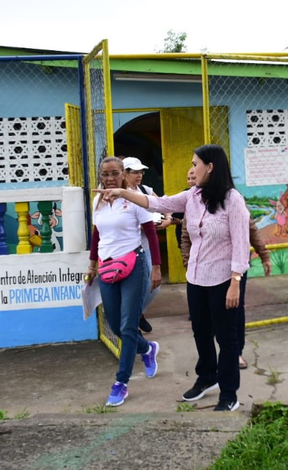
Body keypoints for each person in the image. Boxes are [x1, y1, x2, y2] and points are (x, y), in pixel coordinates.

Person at [95, 144, 249, 412]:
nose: (191, 169)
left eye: (194, 164)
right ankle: (207, 377)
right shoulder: (193, 196)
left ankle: (229, 394)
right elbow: (159, 203)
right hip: (197, 278)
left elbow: (241, 243)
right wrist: (122, 192)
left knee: (226, 338)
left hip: (225, 279)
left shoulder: (232, 200)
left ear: (210, 167)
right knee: (201, 331)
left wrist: (236, 282)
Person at [85, 156, 160, 407]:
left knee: (128, 326)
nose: (110, 178)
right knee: (115, 325)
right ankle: (147, 349)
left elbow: (151, 232)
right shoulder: (97, 200)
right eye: (105, 174)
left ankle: (121, 383)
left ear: (123, 175)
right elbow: (97, 235)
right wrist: (92, 265)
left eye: (115, 173)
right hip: (107, 267)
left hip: (133, 265)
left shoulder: (134, 198)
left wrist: (156, 267)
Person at [180, 189, 272, 370]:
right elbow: (185, 237)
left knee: (234, 311)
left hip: (233, 268)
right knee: (204, 320)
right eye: (189, 178)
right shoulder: (193, 202)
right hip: (204, 271)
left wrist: (264, 255)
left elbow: (250, 229)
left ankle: (235, 353)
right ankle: (209, 366)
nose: (192, 181)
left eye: (194, 176)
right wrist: (189, 264)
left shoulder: (233, 200)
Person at [122, 156, 162, 333]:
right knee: (132, 287)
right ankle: (132, 320)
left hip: (145, 245)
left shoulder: (145, 190)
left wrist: (166, 219)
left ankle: (138, 313)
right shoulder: (119, 193)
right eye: (134, 172)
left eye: (141, 172)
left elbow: (161, 206)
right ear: (124, 173)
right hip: (127, 248)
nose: (139, 175)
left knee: (154, 287)